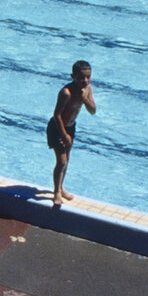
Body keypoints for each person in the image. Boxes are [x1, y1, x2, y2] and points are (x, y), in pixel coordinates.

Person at [46, 59, 96, 206]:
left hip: (71, 127)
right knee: (61, 161)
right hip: (57, 128)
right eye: (81, 77)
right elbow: (57, 115)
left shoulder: (87, 89)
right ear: (73, 76)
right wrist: (64, 135)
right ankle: (56, 192)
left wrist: (84, 99)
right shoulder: (66, 92)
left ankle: (61, 188)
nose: (85, 80)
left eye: (88, 77)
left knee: (66, 161)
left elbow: (93, 110)